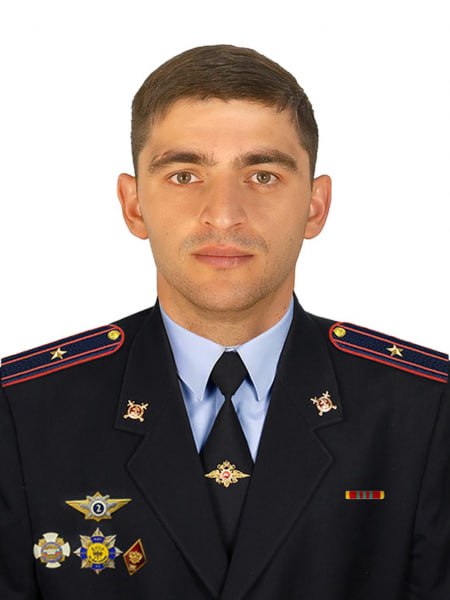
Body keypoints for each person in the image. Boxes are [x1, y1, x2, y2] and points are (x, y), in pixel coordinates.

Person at [0, 45, 448, 600]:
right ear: (133, 205)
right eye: (185, 175)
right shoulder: (21, 413)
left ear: (315, 205)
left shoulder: (426, 411)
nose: (224, 214)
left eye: (262, 175)